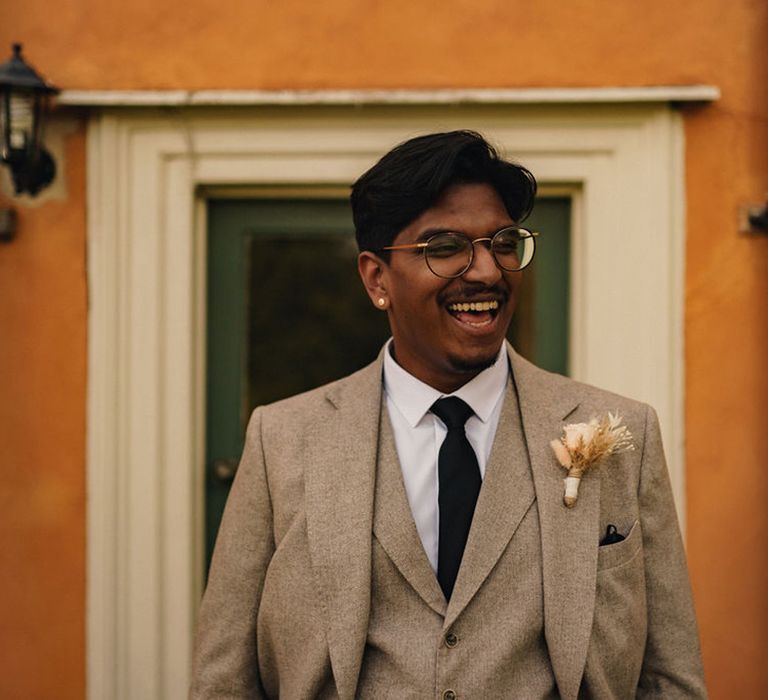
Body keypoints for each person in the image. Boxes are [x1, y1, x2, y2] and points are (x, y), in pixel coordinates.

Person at [191, 130, 707, 699]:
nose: (487, 271)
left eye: (503, 243)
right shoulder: (282, 439)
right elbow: (224, 680)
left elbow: (670, 678)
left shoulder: (622, 434)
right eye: (444, 248)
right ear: (376, 278)